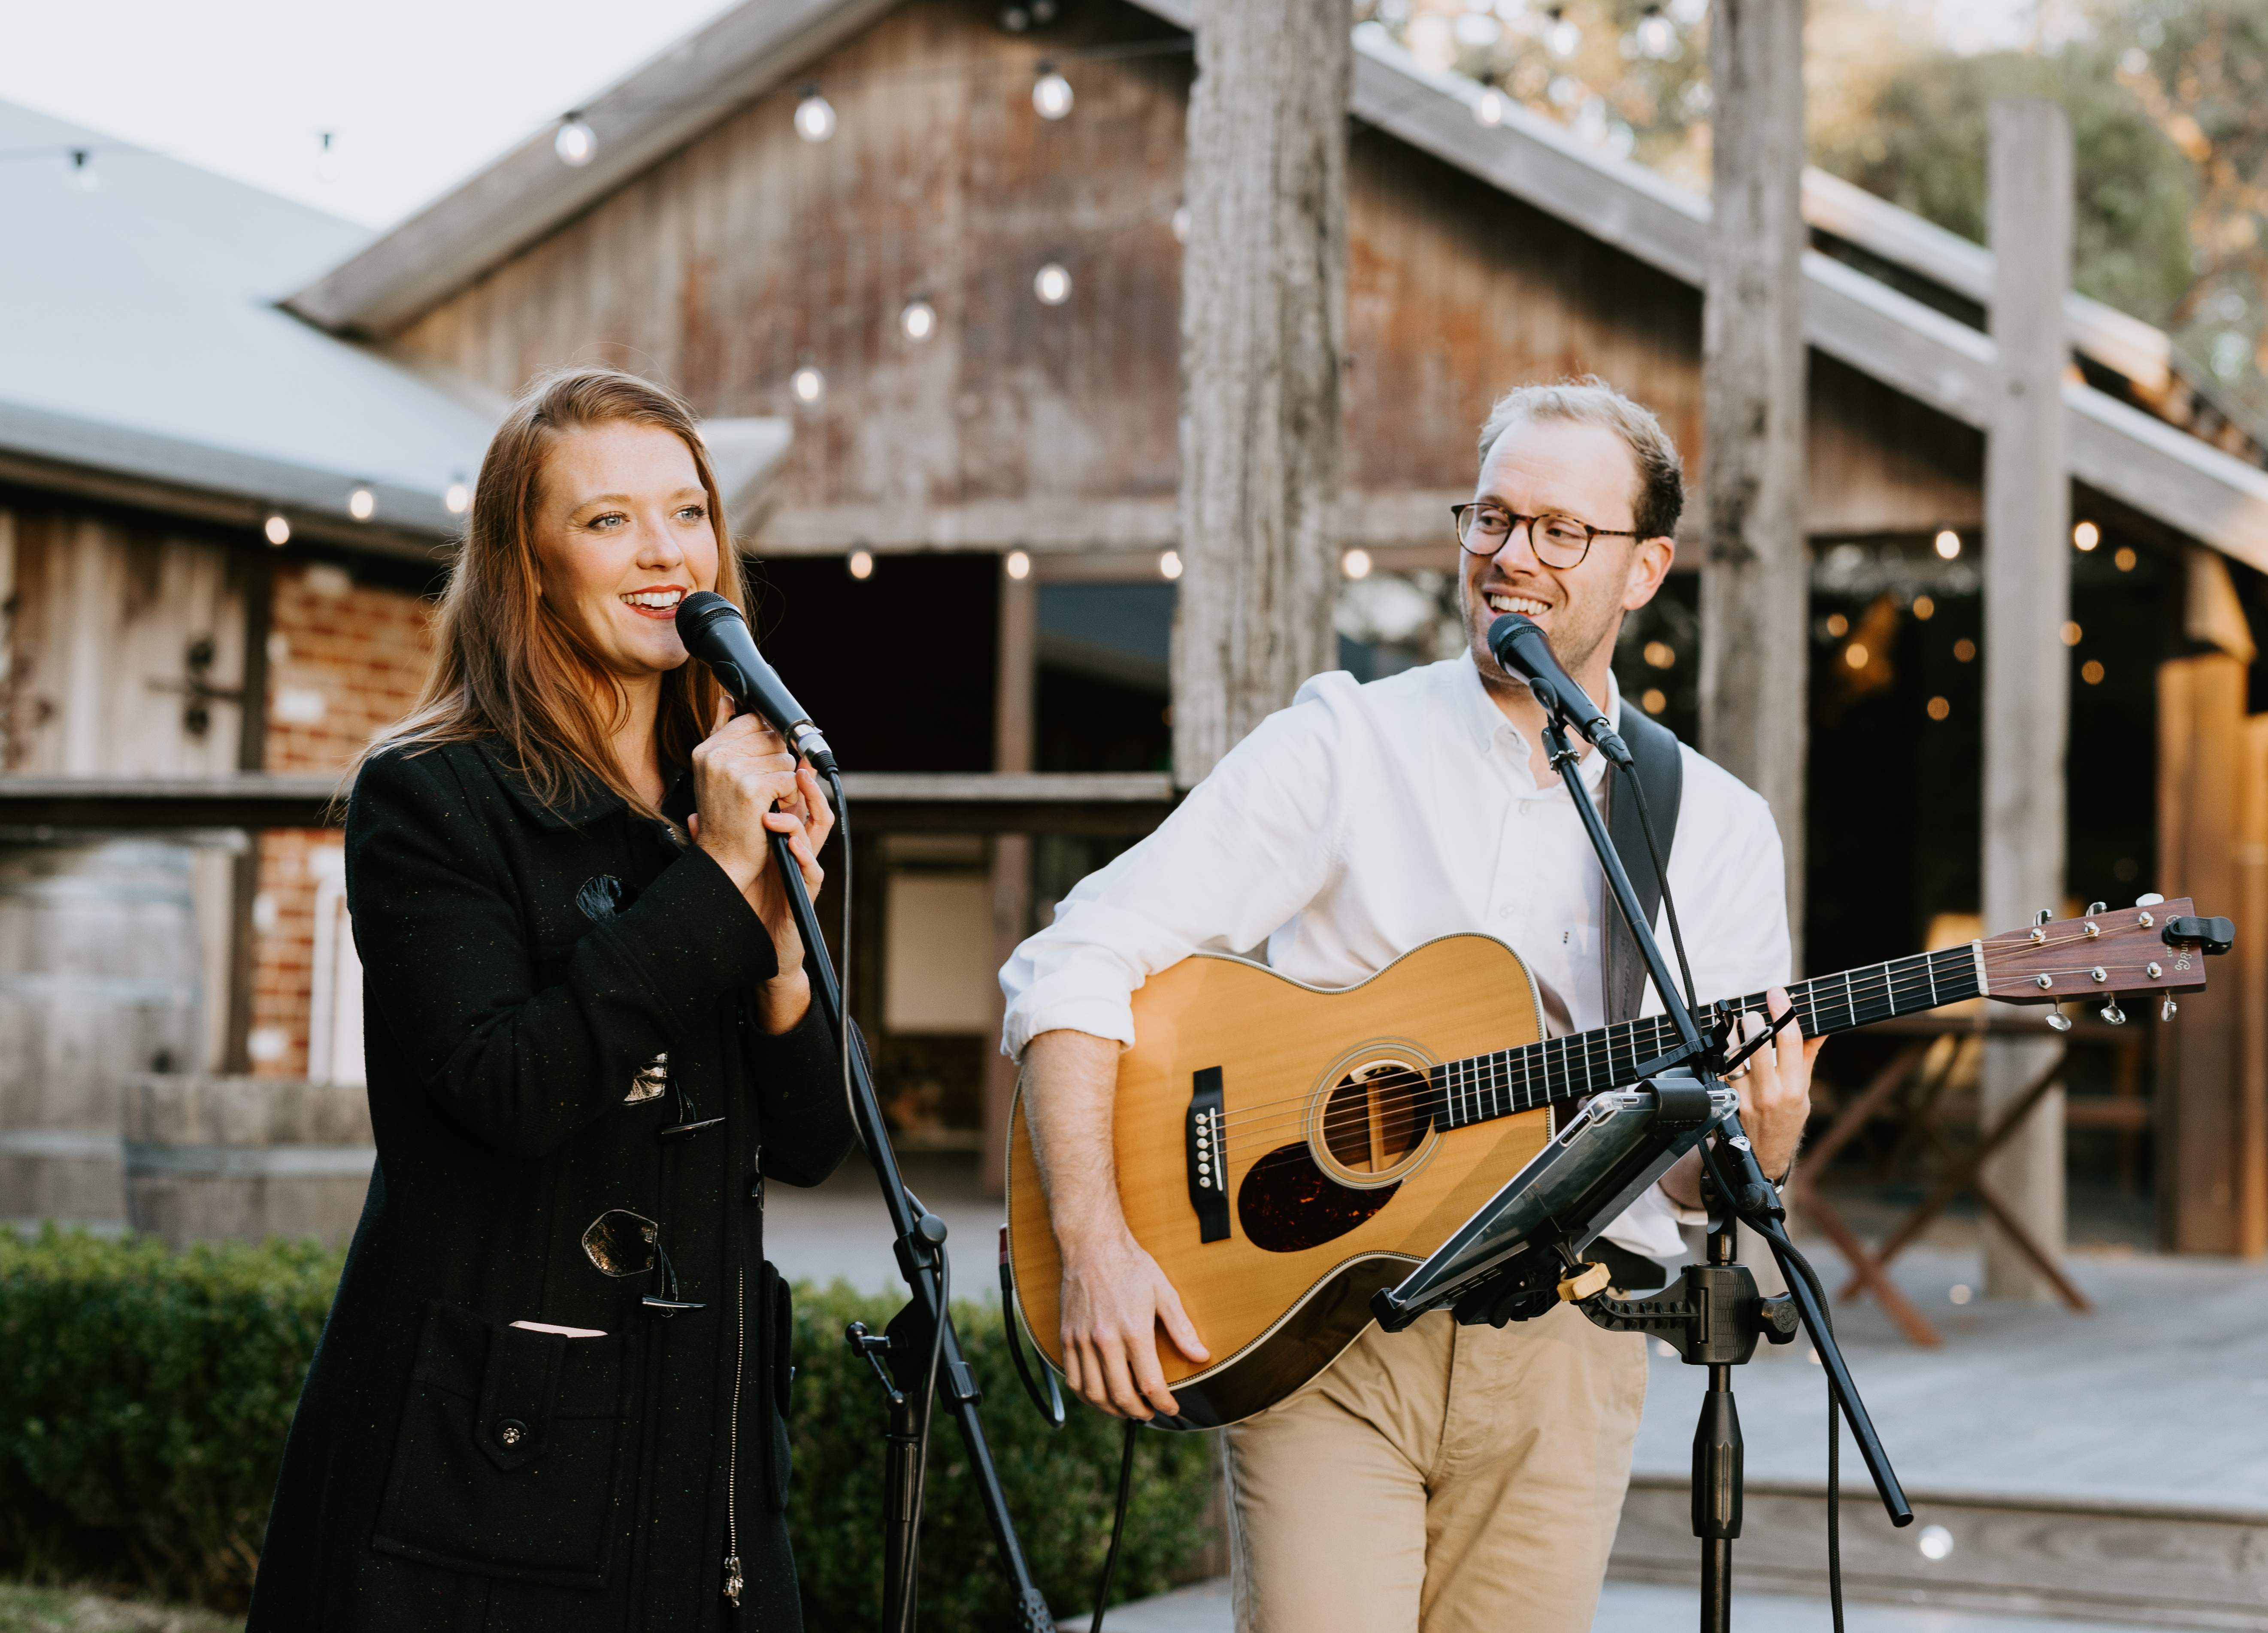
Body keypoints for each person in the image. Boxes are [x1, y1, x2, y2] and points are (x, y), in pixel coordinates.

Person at [1000, 378, 1823, 1633]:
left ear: (1645, 568)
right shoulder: (1346, 745)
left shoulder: (1711, 825)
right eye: (1491, 519)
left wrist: (1760, 1141)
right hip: (1332, 1332)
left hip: (1569, 1349)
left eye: (1562, 532)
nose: (1512, 558)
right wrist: (1099, 1239)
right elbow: (1082, 955)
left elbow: (1695, 1186)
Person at [247, 367, 856, 1633]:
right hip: (492, 1451)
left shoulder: (717, 798)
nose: (664, 554)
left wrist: (782, 941)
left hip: (709, 1457)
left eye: (687, 514)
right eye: (607, 520)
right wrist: (711, 887)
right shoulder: (433, 796)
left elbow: (810, 1144)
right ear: (526, 566)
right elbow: (509, 1088)